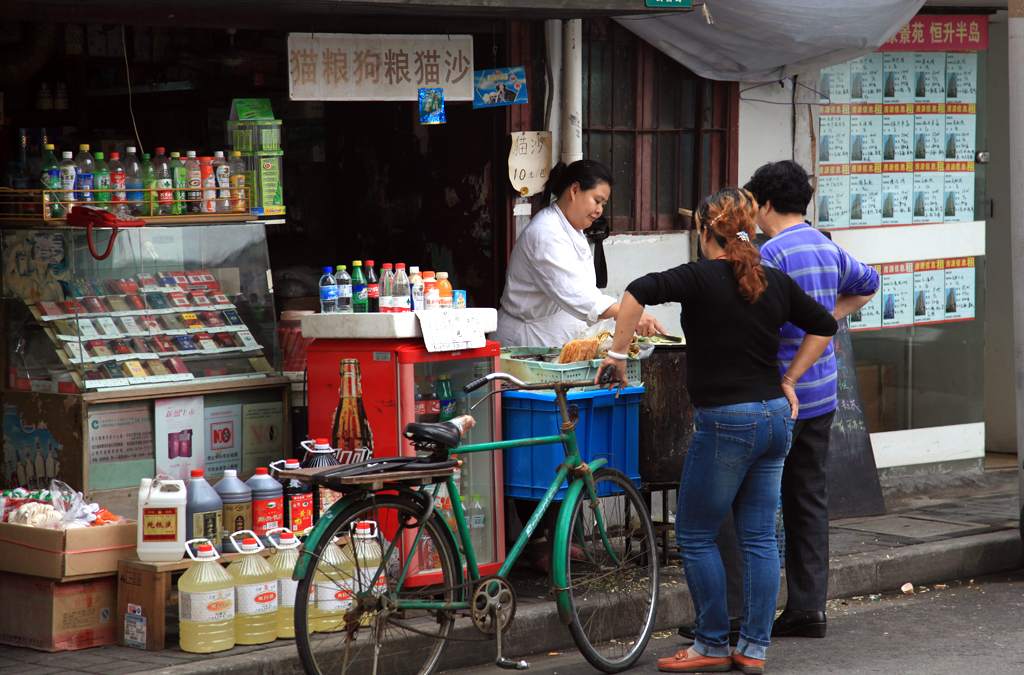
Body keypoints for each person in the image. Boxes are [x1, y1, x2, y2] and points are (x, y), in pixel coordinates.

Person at [597, 187, 838, 674]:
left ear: (706, 232)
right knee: (758, 539)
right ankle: (752, 648)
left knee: (695, 533)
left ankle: (709, 642)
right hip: (774, 418)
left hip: (728, 422)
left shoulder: (700, 277)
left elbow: (635, 292)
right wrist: (789, 379)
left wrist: (617, 355)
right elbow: (825, 325)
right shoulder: (771, 279)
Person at [746, 160, 880, 638]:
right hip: (822, 394)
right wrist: (828, 316)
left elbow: (755, 320)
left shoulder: (771, 254)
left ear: (763, 204)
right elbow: (869, 282)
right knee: (807, 498)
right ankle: (808, 607)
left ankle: (741, 614)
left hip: (781, 391)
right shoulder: (825, 245)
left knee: (750, 499)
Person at [495, 159, 662, 348]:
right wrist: (628, 314)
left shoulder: (571, 228)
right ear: (574, 190)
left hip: (550, 337)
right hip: (526, 341)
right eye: (597, 201)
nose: (599, 211)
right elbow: (576, 292)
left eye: (603, 204)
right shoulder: (546, 233)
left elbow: (585, 290)